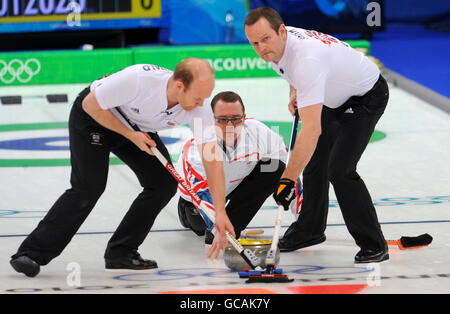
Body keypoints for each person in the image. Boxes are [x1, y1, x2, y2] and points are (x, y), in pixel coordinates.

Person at [10, 58, 234, 277]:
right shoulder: (139, 79)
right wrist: (129, 135)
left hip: (136, 127)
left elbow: (211, 160)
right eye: (197, 97)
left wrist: (220, 212)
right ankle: (32, 253)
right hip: (94, 117)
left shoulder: (199, 107)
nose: (202, 104)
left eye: (205, 97)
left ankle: (121, 251)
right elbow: (90, 104)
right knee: (89, 187)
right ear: (178, 86)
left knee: (163, 184)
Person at [244, 7, 390, 263]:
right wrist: (295, 92)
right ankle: (309, 230)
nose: (261, 48)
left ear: (281, 31)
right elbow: (294, 72)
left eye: (265, 39)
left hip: (366, 97)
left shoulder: (306, 59)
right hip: (335, 98)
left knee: (340, 170)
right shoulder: (281, 45)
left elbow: (311, 130)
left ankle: (374, 244)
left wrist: (287, 180)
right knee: (315, 163)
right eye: (254, 42)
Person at [176, 91, 302, 255]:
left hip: (235, 188)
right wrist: (219, 231)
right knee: (203, 230)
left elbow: (288, 173)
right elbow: (202, 195)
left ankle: (233, 226)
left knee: (275, 167)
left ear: (244, 117)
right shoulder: (196, 149)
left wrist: (303, 219)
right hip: (198, 204)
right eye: (222, 120)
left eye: (235, 119)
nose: (229, 126)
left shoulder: (258, 132)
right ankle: (221, 228)